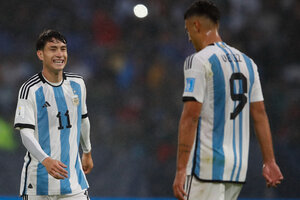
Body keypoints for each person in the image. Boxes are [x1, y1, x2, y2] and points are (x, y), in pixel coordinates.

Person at [172, 1, 283, 200]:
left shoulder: (198, 60)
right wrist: (270, 161)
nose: (188, 37)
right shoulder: (248, 63)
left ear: (196, 25)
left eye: (187, 30)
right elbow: (259, 114)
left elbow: (190, 116)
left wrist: (181, 169)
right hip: (236, 169)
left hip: (204, 167)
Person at [14, 29, 93, 200]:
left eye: (63, 49)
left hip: (73, 184)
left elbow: (83, 119)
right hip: (38, 184)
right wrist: (46, 160)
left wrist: (87, 151)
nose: (59, 54)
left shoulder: (78, 84)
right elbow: (25, 133)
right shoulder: (30, 89)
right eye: (53, 49)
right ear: (40, 54)